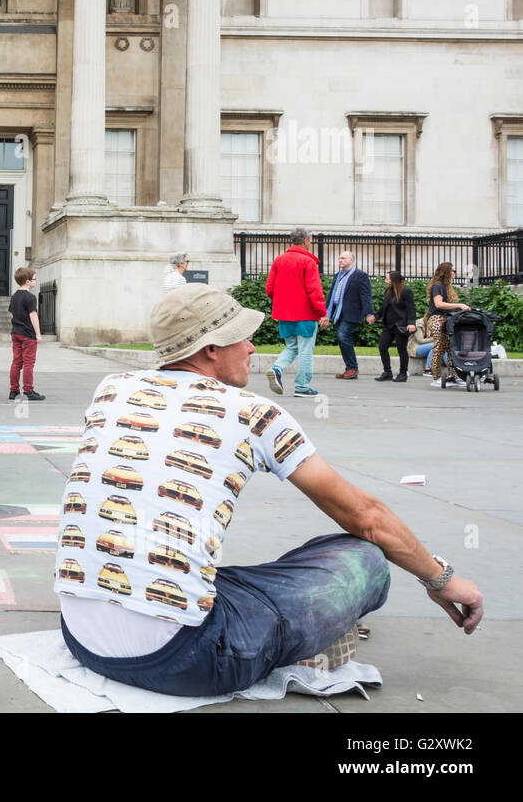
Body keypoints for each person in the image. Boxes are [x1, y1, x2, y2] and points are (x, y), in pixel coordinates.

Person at [56, 283, 484, 697]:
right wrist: (440, 578)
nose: (252, 349)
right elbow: (366, 518)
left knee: (212, 568)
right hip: (186, 659)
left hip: (82, 638)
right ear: (210, 349)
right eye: (242, 339)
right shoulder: (252, 413)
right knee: (365, 558)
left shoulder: (111, 389)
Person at [264, 227, 326, 399]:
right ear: (306, 240)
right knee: (306, 349)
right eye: (311, 238)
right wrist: (322, 312)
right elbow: (314, 290)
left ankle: (277, 368)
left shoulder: (280, 260)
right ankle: (302, 386)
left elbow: (270, 288)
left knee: (291, 347)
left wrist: (282, 302)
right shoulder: (308, 262)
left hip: (284, 313)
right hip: (305, 314)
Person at [322, 250, 375, 380]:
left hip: (352, 313)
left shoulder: (360, 275)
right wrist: (326, 314)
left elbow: (366, 295)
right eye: (339, 258)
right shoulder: (338, 275)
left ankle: (352, 368)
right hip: (339, 313)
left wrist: (369, 313)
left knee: (343, 336)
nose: (340, 260)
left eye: (344, 258)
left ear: (352, 260)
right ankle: (350, 368)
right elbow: (332, 296)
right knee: (343, 339)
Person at [426, 262, 471, 387]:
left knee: (452, 348)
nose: (454, 273)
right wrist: (458, 305)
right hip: (437, 319)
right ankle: (436, 378)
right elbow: (439, 304)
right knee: (439, 348)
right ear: (446, 272)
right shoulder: (438, 286)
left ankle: (454, 376)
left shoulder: (446, 287)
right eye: (453, 270)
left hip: (447, 319)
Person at [8, 267, 44, 401]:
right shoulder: (30, 297)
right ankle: (28, 390)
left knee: (16, 362)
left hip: (15, 333)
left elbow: (11, 313)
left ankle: (13, 390)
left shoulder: (14, 296)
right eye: (34, 279)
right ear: (28, 282)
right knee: (29, 363)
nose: (35, 281)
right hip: (28, 334)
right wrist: (38, 334)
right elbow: (33, 315)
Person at [375, 270, 417, 383]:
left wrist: (411, 323)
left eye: (387, 278)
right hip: (389, 325)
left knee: (401, 349)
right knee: (382, 346)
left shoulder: (406, 292)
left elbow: (411, 308)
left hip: (401, 325)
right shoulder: (388, 291)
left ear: (394, 280)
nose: (385, 281)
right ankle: (387, 372)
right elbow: (384, 307)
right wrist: (376, 316)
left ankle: (403, 373)